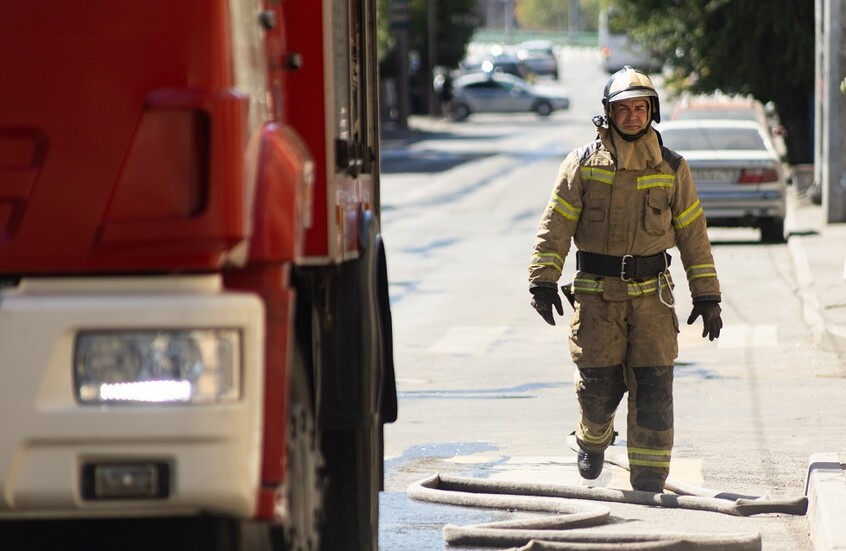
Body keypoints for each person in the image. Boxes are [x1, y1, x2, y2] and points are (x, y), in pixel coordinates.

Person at [527, 66, 723, 493]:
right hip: (597, 298)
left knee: (654, 388)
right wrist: (543, 280)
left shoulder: (673, 168)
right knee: (597, 390)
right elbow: (555, 224)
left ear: (651, 112)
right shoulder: (581, 164)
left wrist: (707, 296)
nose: (633, 116)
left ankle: (650, 479)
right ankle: (592, 438)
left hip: (653, 300)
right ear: (608, 114)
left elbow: (693, 234)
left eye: (640, 108)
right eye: (624, 109)